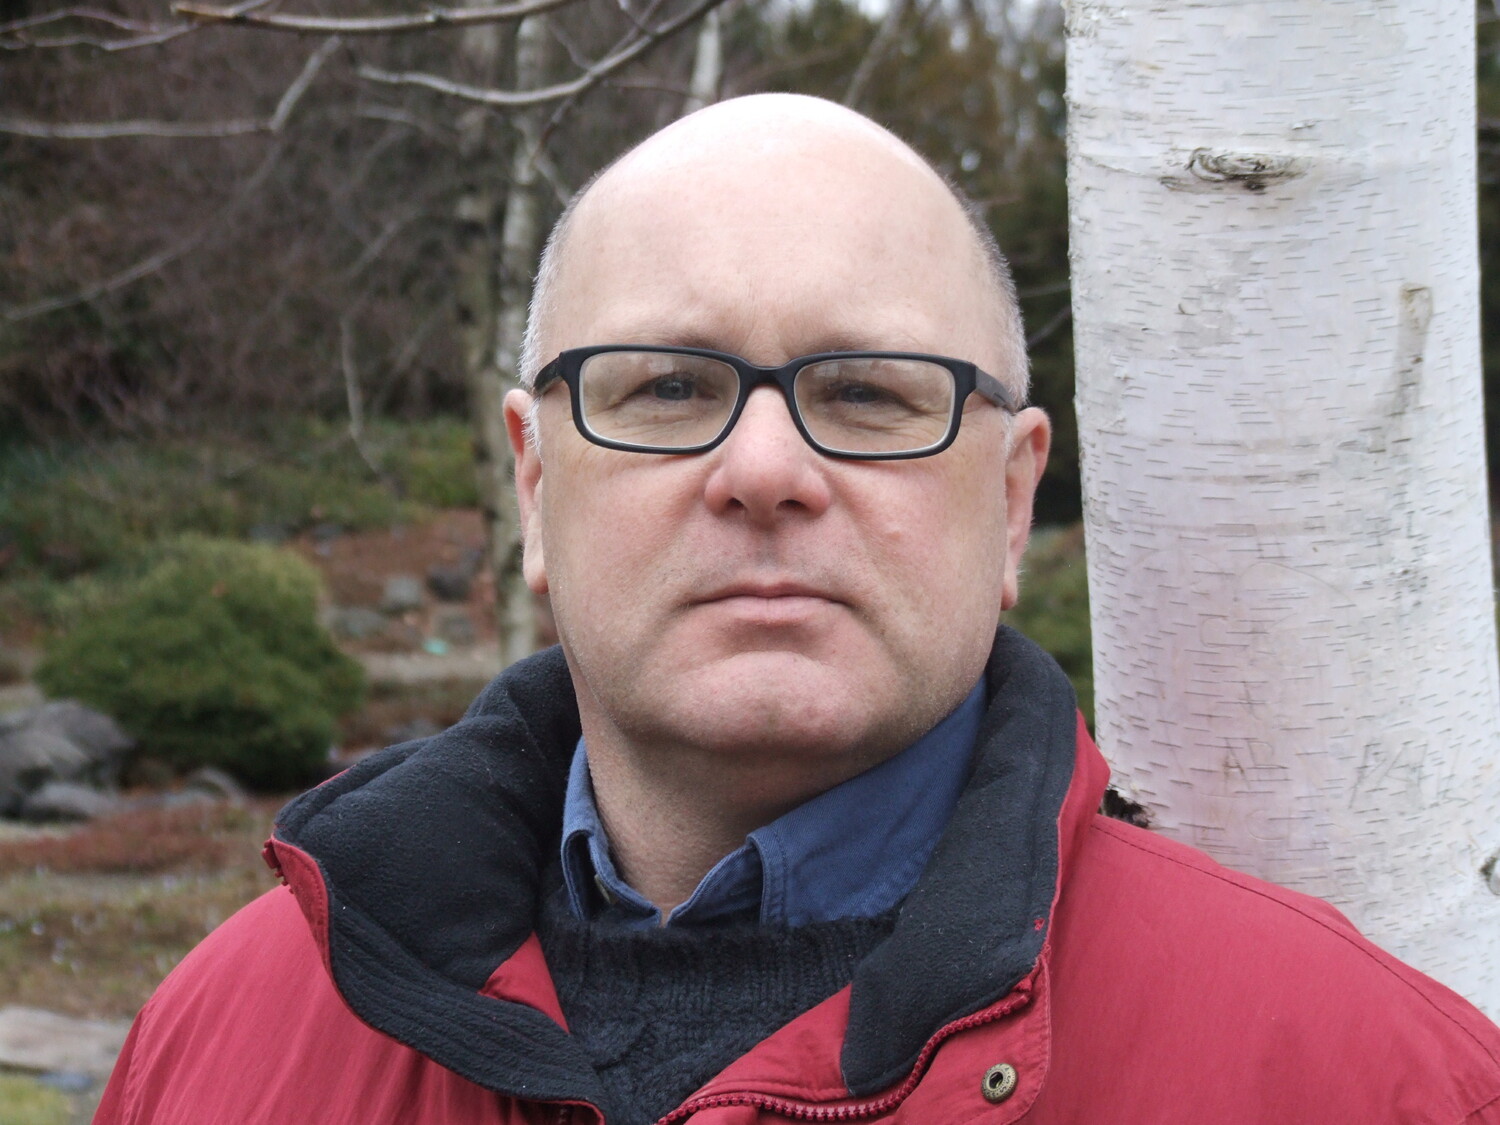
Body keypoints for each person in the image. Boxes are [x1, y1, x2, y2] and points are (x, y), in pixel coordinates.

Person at [95, 94, 1500, 1125]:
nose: (764, 469)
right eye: (666, 387)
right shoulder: (224, 1042)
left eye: (869, 395)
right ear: (534, 479)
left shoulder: (1365, 1080)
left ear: (1011, 503)